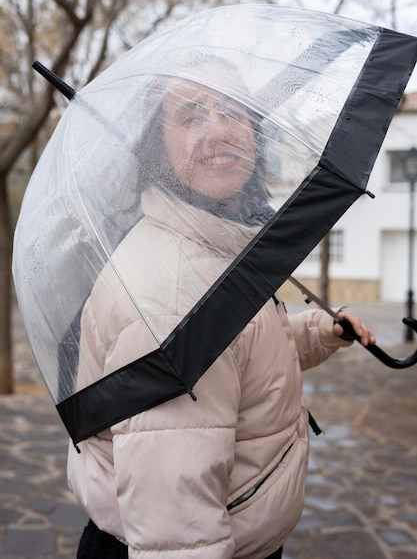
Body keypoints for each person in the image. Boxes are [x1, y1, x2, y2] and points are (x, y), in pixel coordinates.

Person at [67, 67, 375, 559]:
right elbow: (177, 533)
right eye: (190, 116)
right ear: (157, 151)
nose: (218, 130)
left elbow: (237, 351)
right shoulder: (172, 294)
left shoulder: (215, 245)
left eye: (233, 112)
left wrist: (321, 332)